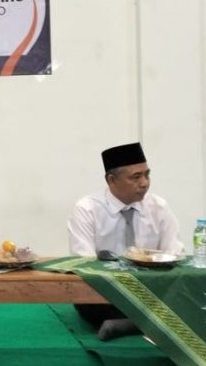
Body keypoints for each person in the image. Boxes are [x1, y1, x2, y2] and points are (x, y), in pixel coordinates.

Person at [67, 142, 183, 340]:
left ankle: (128, 324)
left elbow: (175, 254)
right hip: (107, 291)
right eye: (136, 177)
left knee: (189, 294)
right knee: (86, 299)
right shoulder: (87, 209)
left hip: (151, 288)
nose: (144, 183)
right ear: (112, 180)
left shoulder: (158, 207)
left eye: (147, 175)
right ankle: (148, 323)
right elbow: (83, 264)